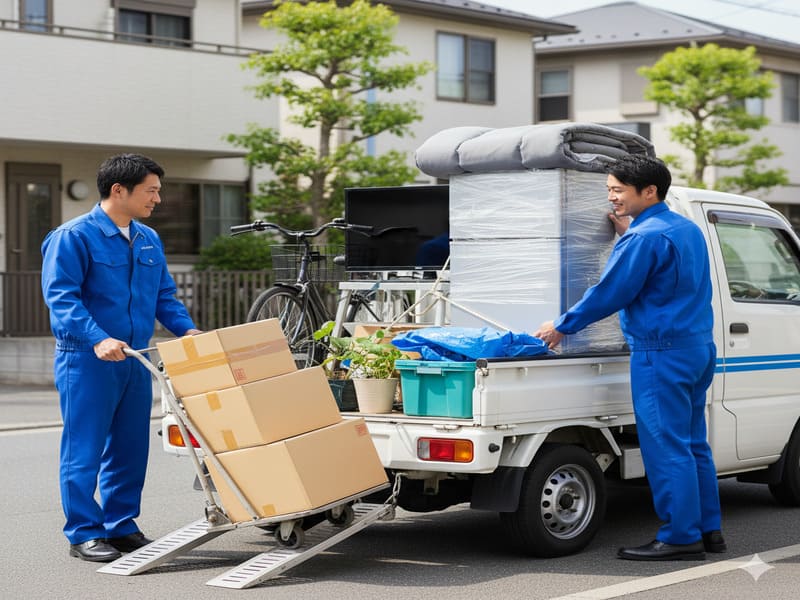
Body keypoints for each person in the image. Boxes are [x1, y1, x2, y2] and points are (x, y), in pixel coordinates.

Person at [534, 155, 725, 561]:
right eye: (609, 190)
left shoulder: (643, 239)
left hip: (661, 355)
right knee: (693, 444)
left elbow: (610, 292)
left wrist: (561, 326)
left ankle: (679, 538)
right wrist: (630, 234)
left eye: (618, 190)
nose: (612, 198)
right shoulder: (684, 229)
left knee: (665, 447)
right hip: (696, 349)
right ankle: (709, 530)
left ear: (649, 191)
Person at [41, 154, 201, 562]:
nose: (158, 200)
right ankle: (83, 532)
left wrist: (187, 330)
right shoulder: (73, 236)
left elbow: (163, 295)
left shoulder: (148, 238)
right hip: (88, 358)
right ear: (119, 190)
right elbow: (62, 298)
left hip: (134, 358)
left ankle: (121, 525)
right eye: (151, 191)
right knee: (85, 449)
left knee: (130, 448)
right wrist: (97, 338)